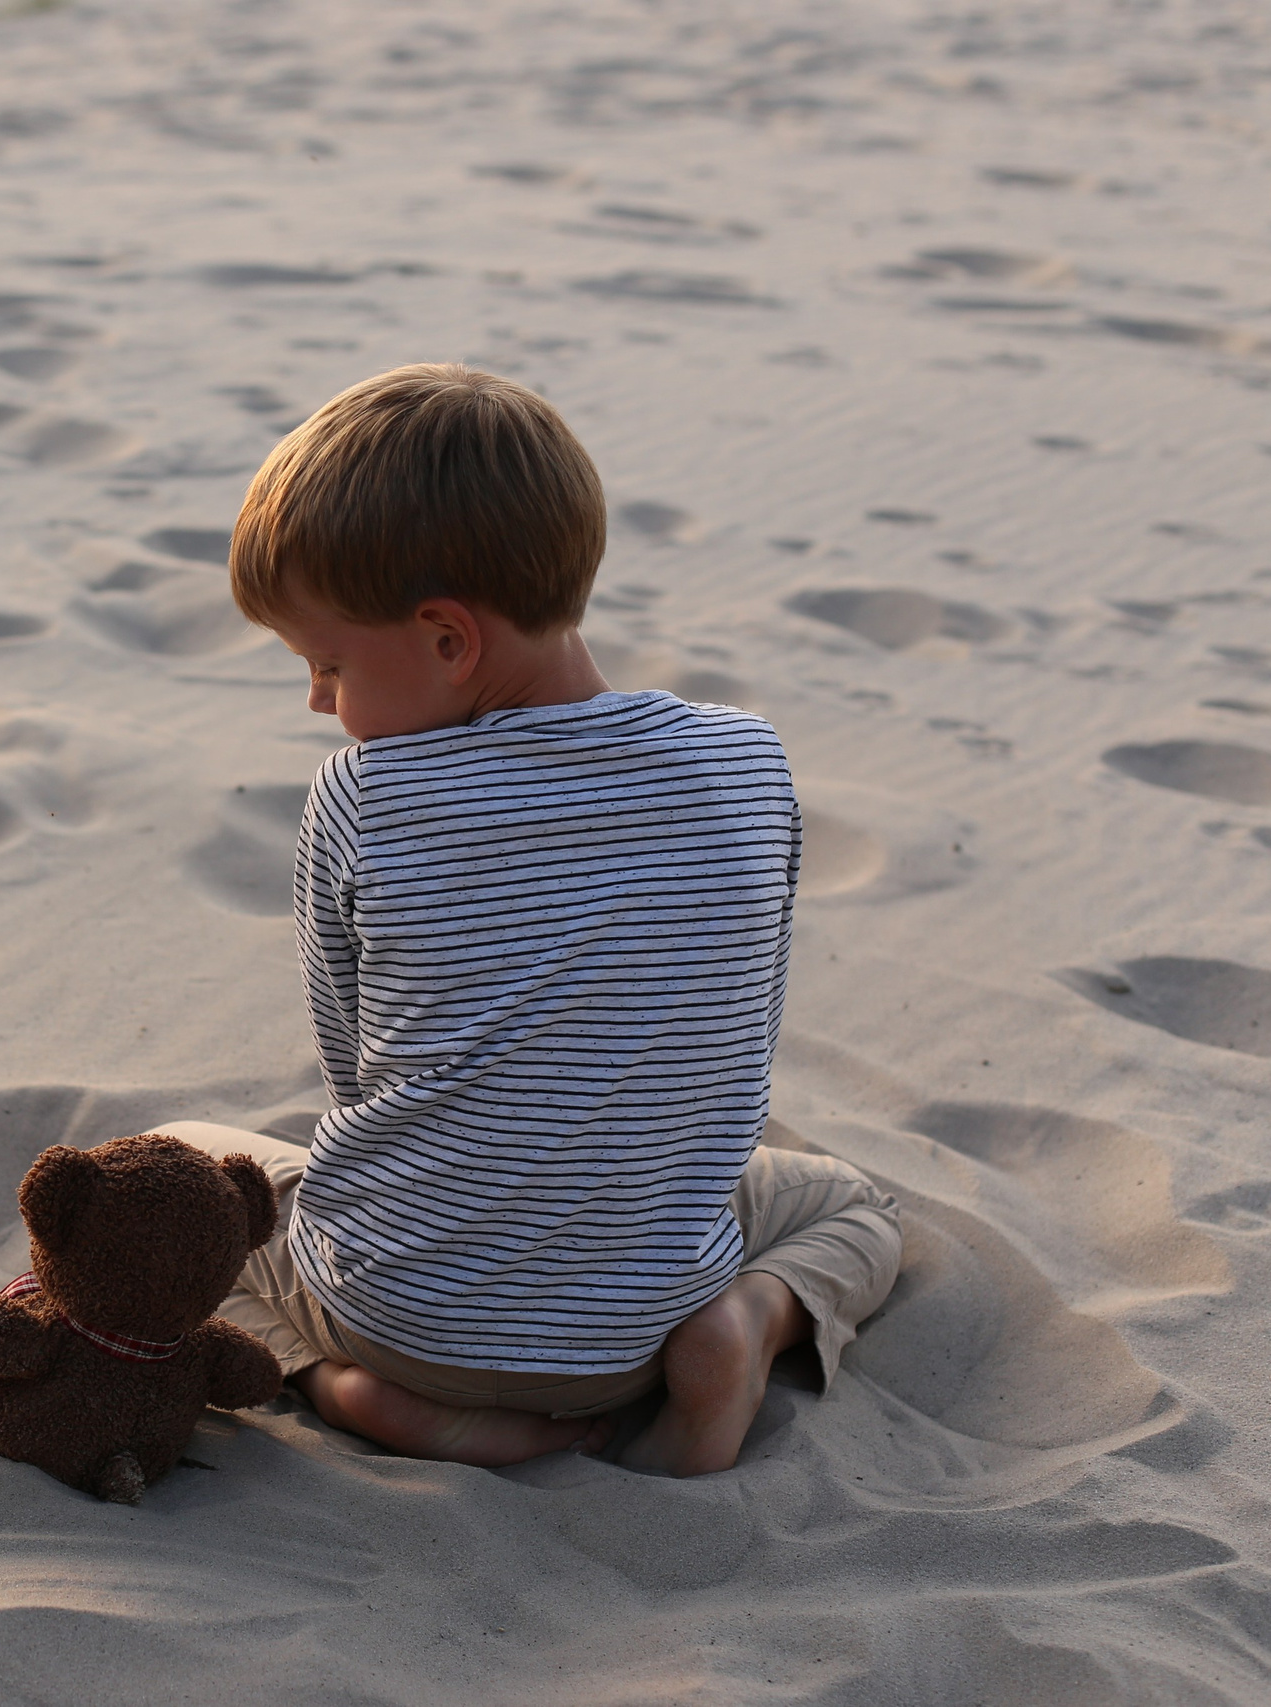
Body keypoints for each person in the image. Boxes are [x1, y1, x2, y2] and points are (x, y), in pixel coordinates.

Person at [170, 363, 902, 1476]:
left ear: (447, 640)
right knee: (851, 1205)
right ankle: (744, 1322)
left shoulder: (362, 798)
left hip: (394, 1313)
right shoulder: (748, 763)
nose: (317, 699)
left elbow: (353, 1069)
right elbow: (736, 1027)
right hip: (634, 1333)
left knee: (176, 1166)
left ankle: (341, 1384)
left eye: (327, 664)